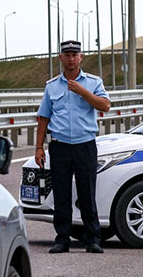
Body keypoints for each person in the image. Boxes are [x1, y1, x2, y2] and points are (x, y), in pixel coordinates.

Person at [34, 40, 111, 254]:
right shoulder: (52, 86)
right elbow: (43, 118)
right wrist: (39, 147)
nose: (70, 58)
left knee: (87, 193)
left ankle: (92, 239)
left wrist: (82, 91)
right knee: (61, 194)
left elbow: (105, 106)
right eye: (66, 54)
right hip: (60, 146)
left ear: (81, 57)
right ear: (60, 57)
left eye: (74, 54)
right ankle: (62, 239)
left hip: (84, 145)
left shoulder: (93, 82)